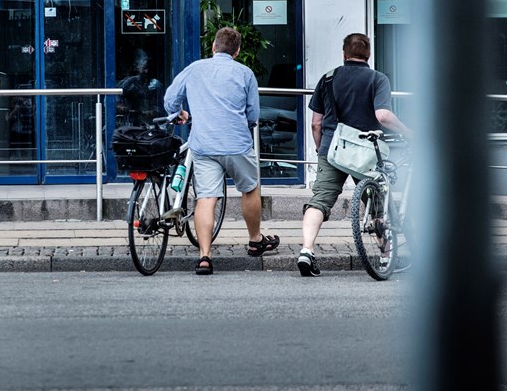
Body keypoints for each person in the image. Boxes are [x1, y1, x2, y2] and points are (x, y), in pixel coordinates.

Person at [164, 27, 279, 275]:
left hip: (203, 144)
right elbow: (253, 113)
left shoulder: (195, 68)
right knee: (250, 188)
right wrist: (245, 125)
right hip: (237, 143)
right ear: (237, 51)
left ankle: (205, 256)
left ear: (214, 47)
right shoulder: (245, 73)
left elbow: (171, 97)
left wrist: (178, 114)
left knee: (206, 198)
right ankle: (255, 240)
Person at [298, 32, 410, 277]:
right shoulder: (378, 79)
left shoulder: (327, 79)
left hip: (333, 150)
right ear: (368, 54)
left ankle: (306, 250)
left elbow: (316, 123)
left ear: (344, 54)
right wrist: (407, 131)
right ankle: (385, 257)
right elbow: (382, 116)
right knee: (377, 204)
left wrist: (320, 148)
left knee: (319, 201)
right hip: (367, 154)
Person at [117, 48, 164, 126]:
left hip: (149, 125)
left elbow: (160, 109)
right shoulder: (127, 83)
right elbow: (113, 102)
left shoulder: (155, 85)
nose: (146, 71)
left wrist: (148, 113)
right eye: (143, 68)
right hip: (129, 124)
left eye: (148, 68)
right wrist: (124, 108)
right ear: (135, 67)